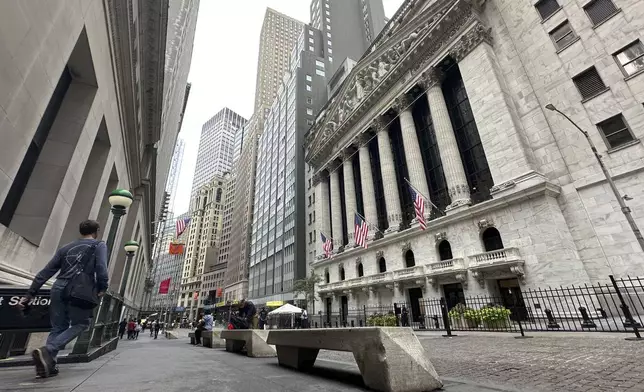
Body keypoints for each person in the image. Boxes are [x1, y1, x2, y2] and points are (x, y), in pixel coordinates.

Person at [18, 220, 108, 378]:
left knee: (58, 327)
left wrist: (29, 294)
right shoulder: (99, 245)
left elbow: (45, 272)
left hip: (58, 287)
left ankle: (49, 366)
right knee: (82, 323)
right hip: (79, 289)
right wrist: (102, 288)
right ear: (97, 231)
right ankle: (48, 350)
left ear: (81, 231)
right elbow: (101, 268)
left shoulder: (66, 247)